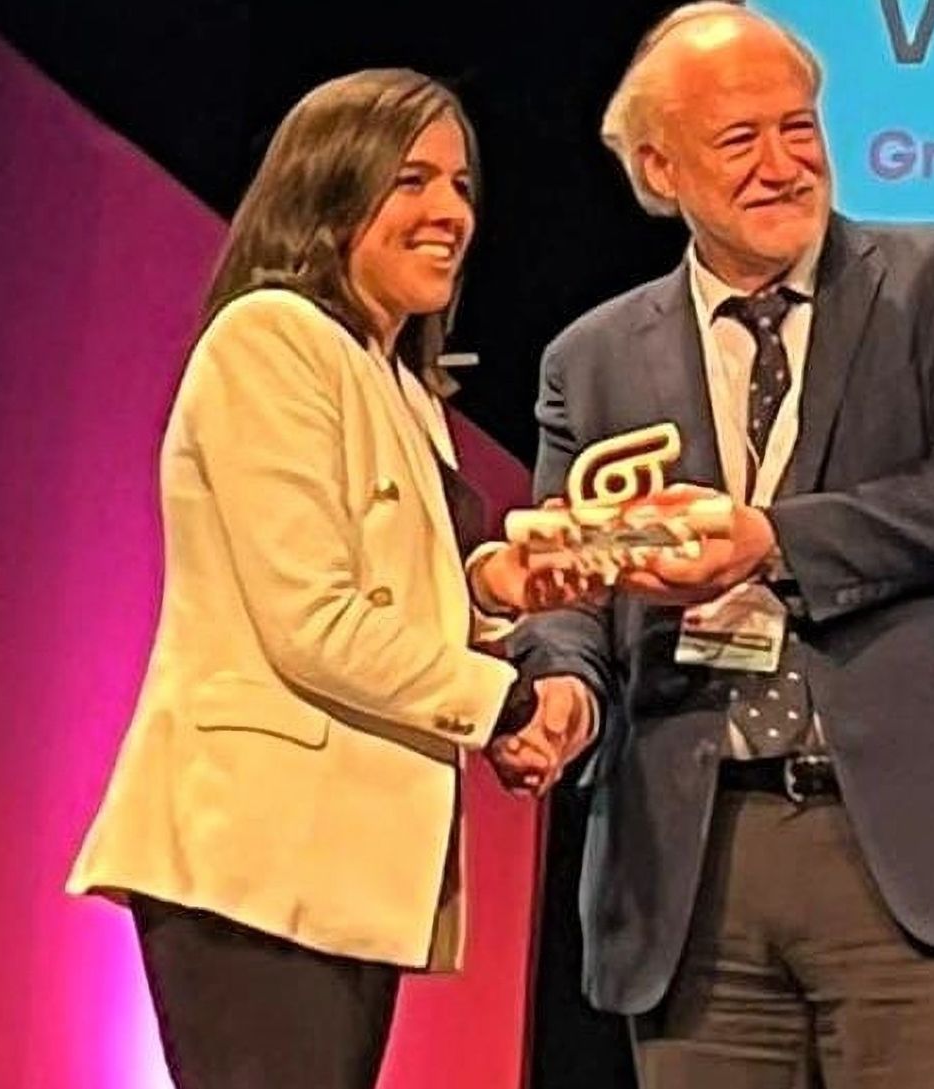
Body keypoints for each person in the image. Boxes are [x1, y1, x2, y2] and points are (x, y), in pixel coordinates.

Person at [501, 5, 934, 1087]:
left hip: (912, 844)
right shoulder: (589, 359)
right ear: (657, 164)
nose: (784, 165)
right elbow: (572, 587)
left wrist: (768, 541)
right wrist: (559, 688)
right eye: (740, 139)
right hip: (692, 865)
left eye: (800, 128)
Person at [67, 69, 590, 1089]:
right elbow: (311, 615)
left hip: (333, 860)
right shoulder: (271, 338)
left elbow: (391, 584)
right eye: (411, 181)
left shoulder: (393, 376)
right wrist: (509, 701)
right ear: (329, 191)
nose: (450, 212)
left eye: (461, 185)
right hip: (255, 859)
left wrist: (493, 592)